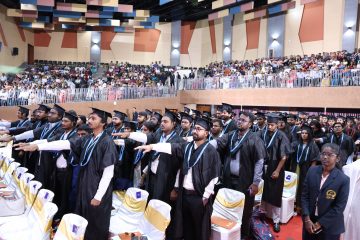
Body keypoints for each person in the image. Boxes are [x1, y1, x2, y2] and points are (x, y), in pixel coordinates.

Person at [19, 108, 117, 240]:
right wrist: (38, 146)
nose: (89, 120)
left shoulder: (107, 141)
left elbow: (108, 173)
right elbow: (66, 143)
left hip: (96, 185)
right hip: (84, 182)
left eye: (93, 118)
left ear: (103, 122)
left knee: (95, 218)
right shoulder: (88, 138)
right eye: (89, 118)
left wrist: (98, 196)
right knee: (81, 213)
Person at [135, 117, 221, 240]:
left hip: (199, 196)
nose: (195, 131)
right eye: (195, 128)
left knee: (198, 227)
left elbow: (214, 176)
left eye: (199, 129)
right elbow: (171, 147)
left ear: (206, 133)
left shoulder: (211, 151)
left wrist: (205, 196)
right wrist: (152, 147)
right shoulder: (187, 147)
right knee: (185, 225)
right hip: (184, 194)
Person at [211, 111, 266, 238]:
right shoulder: (231, 135)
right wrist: (204, 146)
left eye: (243, 120)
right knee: (229, 209)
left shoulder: (254, 139)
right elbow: (217, 142)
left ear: (251, 124)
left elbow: (259, 162)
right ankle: (230, 235)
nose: (239, 122)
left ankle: (244, 236)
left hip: (245, 181)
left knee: (245, 211)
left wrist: (256, 182)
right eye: (239, 119)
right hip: (229, 179)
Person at [301, 143, 350, 240]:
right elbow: (304, 196)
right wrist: (306, 219)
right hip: (309, 222)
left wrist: (320, 224)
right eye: (323, 154)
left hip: (330, 225)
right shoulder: (312, 171)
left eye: (330, 155)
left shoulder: (343, 179)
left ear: (338, 158)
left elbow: (339, 207)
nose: (325, 157)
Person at [259, 113, 291, 232]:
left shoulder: (281, 136)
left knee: (275, 194)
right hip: (263, 166)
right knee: (262, 193)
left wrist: (277, 170)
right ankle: (261, 216)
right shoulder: (263, 133)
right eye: (268, 125)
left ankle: (276, 220)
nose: (269, 127)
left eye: (272, 125)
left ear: (277, 125)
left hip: (276, 166)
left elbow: (284, 157)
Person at [290, 125, 320, 214]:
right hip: (295, 167)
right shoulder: (296, 143)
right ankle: (292, 205)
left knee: (303, 187)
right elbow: (288, 152)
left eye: (306, 133)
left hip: (306, 168)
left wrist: (312, 171)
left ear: (309, 134)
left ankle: (301, 207)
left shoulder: (313, 145)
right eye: (302, 133)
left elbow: (314, 159)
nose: (303, 135)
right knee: (294, 185)